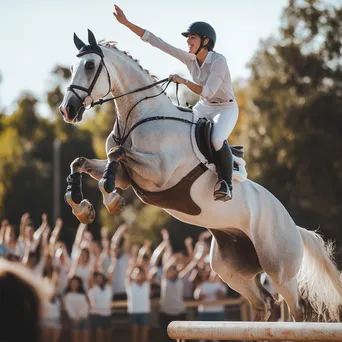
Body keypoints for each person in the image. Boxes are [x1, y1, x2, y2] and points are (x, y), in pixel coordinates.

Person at [113, 4, 238, 201]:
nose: (188, 41)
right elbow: (158, 42)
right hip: (205, 106)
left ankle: (226, 183)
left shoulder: (219, 62)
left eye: (192, 37)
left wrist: (184, 81)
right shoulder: (190, 59)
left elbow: (207, 91)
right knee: (182, 128)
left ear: (206, 41)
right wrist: (127, 23)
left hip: (225, 107)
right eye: (188, 38)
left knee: (215, 139)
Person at [63, 276, 90, 342]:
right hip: (73, 320)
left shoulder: (83, 295)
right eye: (73, 282)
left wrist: (80, 316)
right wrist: (75, 318)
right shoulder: (67, 295)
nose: (74, 284)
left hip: (84, 319)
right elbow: (68, 307)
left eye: (76, 283)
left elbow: (86, 306)